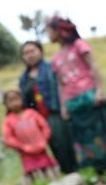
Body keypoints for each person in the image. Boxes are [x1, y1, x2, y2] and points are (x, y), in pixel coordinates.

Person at [47, 16, 106, 177]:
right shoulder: (55, 59)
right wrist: (63, 106)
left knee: (102, 130)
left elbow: (93, 66)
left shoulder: (79, 45)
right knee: (84, 137)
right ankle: (98, 169)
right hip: (73, 102)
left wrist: (99, 91)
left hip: (90, 95)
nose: (47, 35)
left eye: (49, 30)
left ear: (59, 31)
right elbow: (61, 84)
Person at [19, 41, 77, 174]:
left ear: (40, 51)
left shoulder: (52, 68)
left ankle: (75, 170)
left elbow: (64, 86)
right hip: (38, 118)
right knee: (53, 145)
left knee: (64, 141)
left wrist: (65, 105)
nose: (29, 55)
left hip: (56, 112)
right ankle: (66, 172)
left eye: (32, 51)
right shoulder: (23, 78)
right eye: (25, 53)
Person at [2, 90, 59, 185]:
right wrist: (23, 147)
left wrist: (43, 141)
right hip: (26, 154)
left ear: (21, 99)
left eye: (16, 99)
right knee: (32, 177)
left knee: (48, 172)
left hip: (41, 150)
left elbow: (45, 127)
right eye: (10, 101)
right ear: (6, 104)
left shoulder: (32, 113)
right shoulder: (8, 121)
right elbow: (8, 138)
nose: (14, 103)